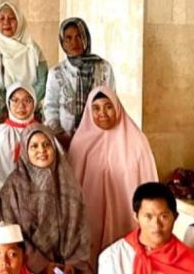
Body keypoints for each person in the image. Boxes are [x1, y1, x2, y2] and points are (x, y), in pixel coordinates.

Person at [0, 125, 101, 274]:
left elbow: (81, 225)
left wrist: (72, 263)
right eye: (34, 146)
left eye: (46, 145)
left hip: (69, 261)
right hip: (32, 265)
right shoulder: (13, 187)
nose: (42, 151)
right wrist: (44, 266)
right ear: (25, 151)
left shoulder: (67, 180)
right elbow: (13, 235)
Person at [67, 86, 158, 255]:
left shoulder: (136, 140)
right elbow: (70, 188)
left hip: (125, 215)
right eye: (96, 108)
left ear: (117, 108)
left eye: (108, 107)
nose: (102, 113)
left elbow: (149, 181)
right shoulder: (80, 143)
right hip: (90, 217)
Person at [0, 2, 48, 146]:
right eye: (1, 18)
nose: (6, 22)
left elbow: (43, 83)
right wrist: (7, 105)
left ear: (19, 20)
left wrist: (24, 103)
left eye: (12, 18)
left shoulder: (33, 50)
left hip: (27, 111)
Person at [43, 17, 115, 146]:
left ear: (86, 38)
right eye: (68, 38)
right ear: (63, 42)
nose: (74, 42)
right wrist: (60, 135)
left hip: (98, 139)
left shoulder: (104, 68)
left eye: (79, 36)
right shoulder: (56, 73)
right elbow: (50, 108)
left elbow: (112, 102)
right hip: (65, 140)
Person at [0, 83, 41, 195]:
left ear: (34, 103)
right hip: (4, 195)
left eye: (27, 100)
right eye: (15, 100)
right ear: (8, 103)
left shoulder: (43, 133)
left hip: (38, 195)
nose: (21, 106)